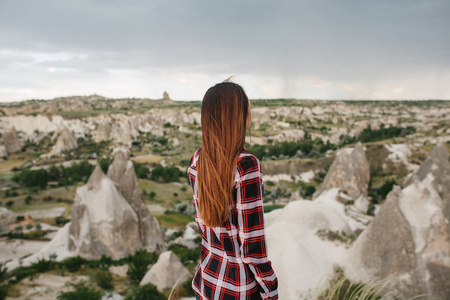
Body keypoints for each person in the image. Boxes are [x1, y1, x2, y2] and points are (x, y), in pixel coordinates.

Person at [187, 81, 278, 300]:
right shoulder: (246, 166)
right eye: (247, 107)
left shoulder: (198, 159)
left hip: (207, 281)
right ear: (237, 116)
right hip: (238, 289)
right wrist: (270, 289)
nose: (251, 113)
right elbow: (252, 246)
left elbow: (206, 228)